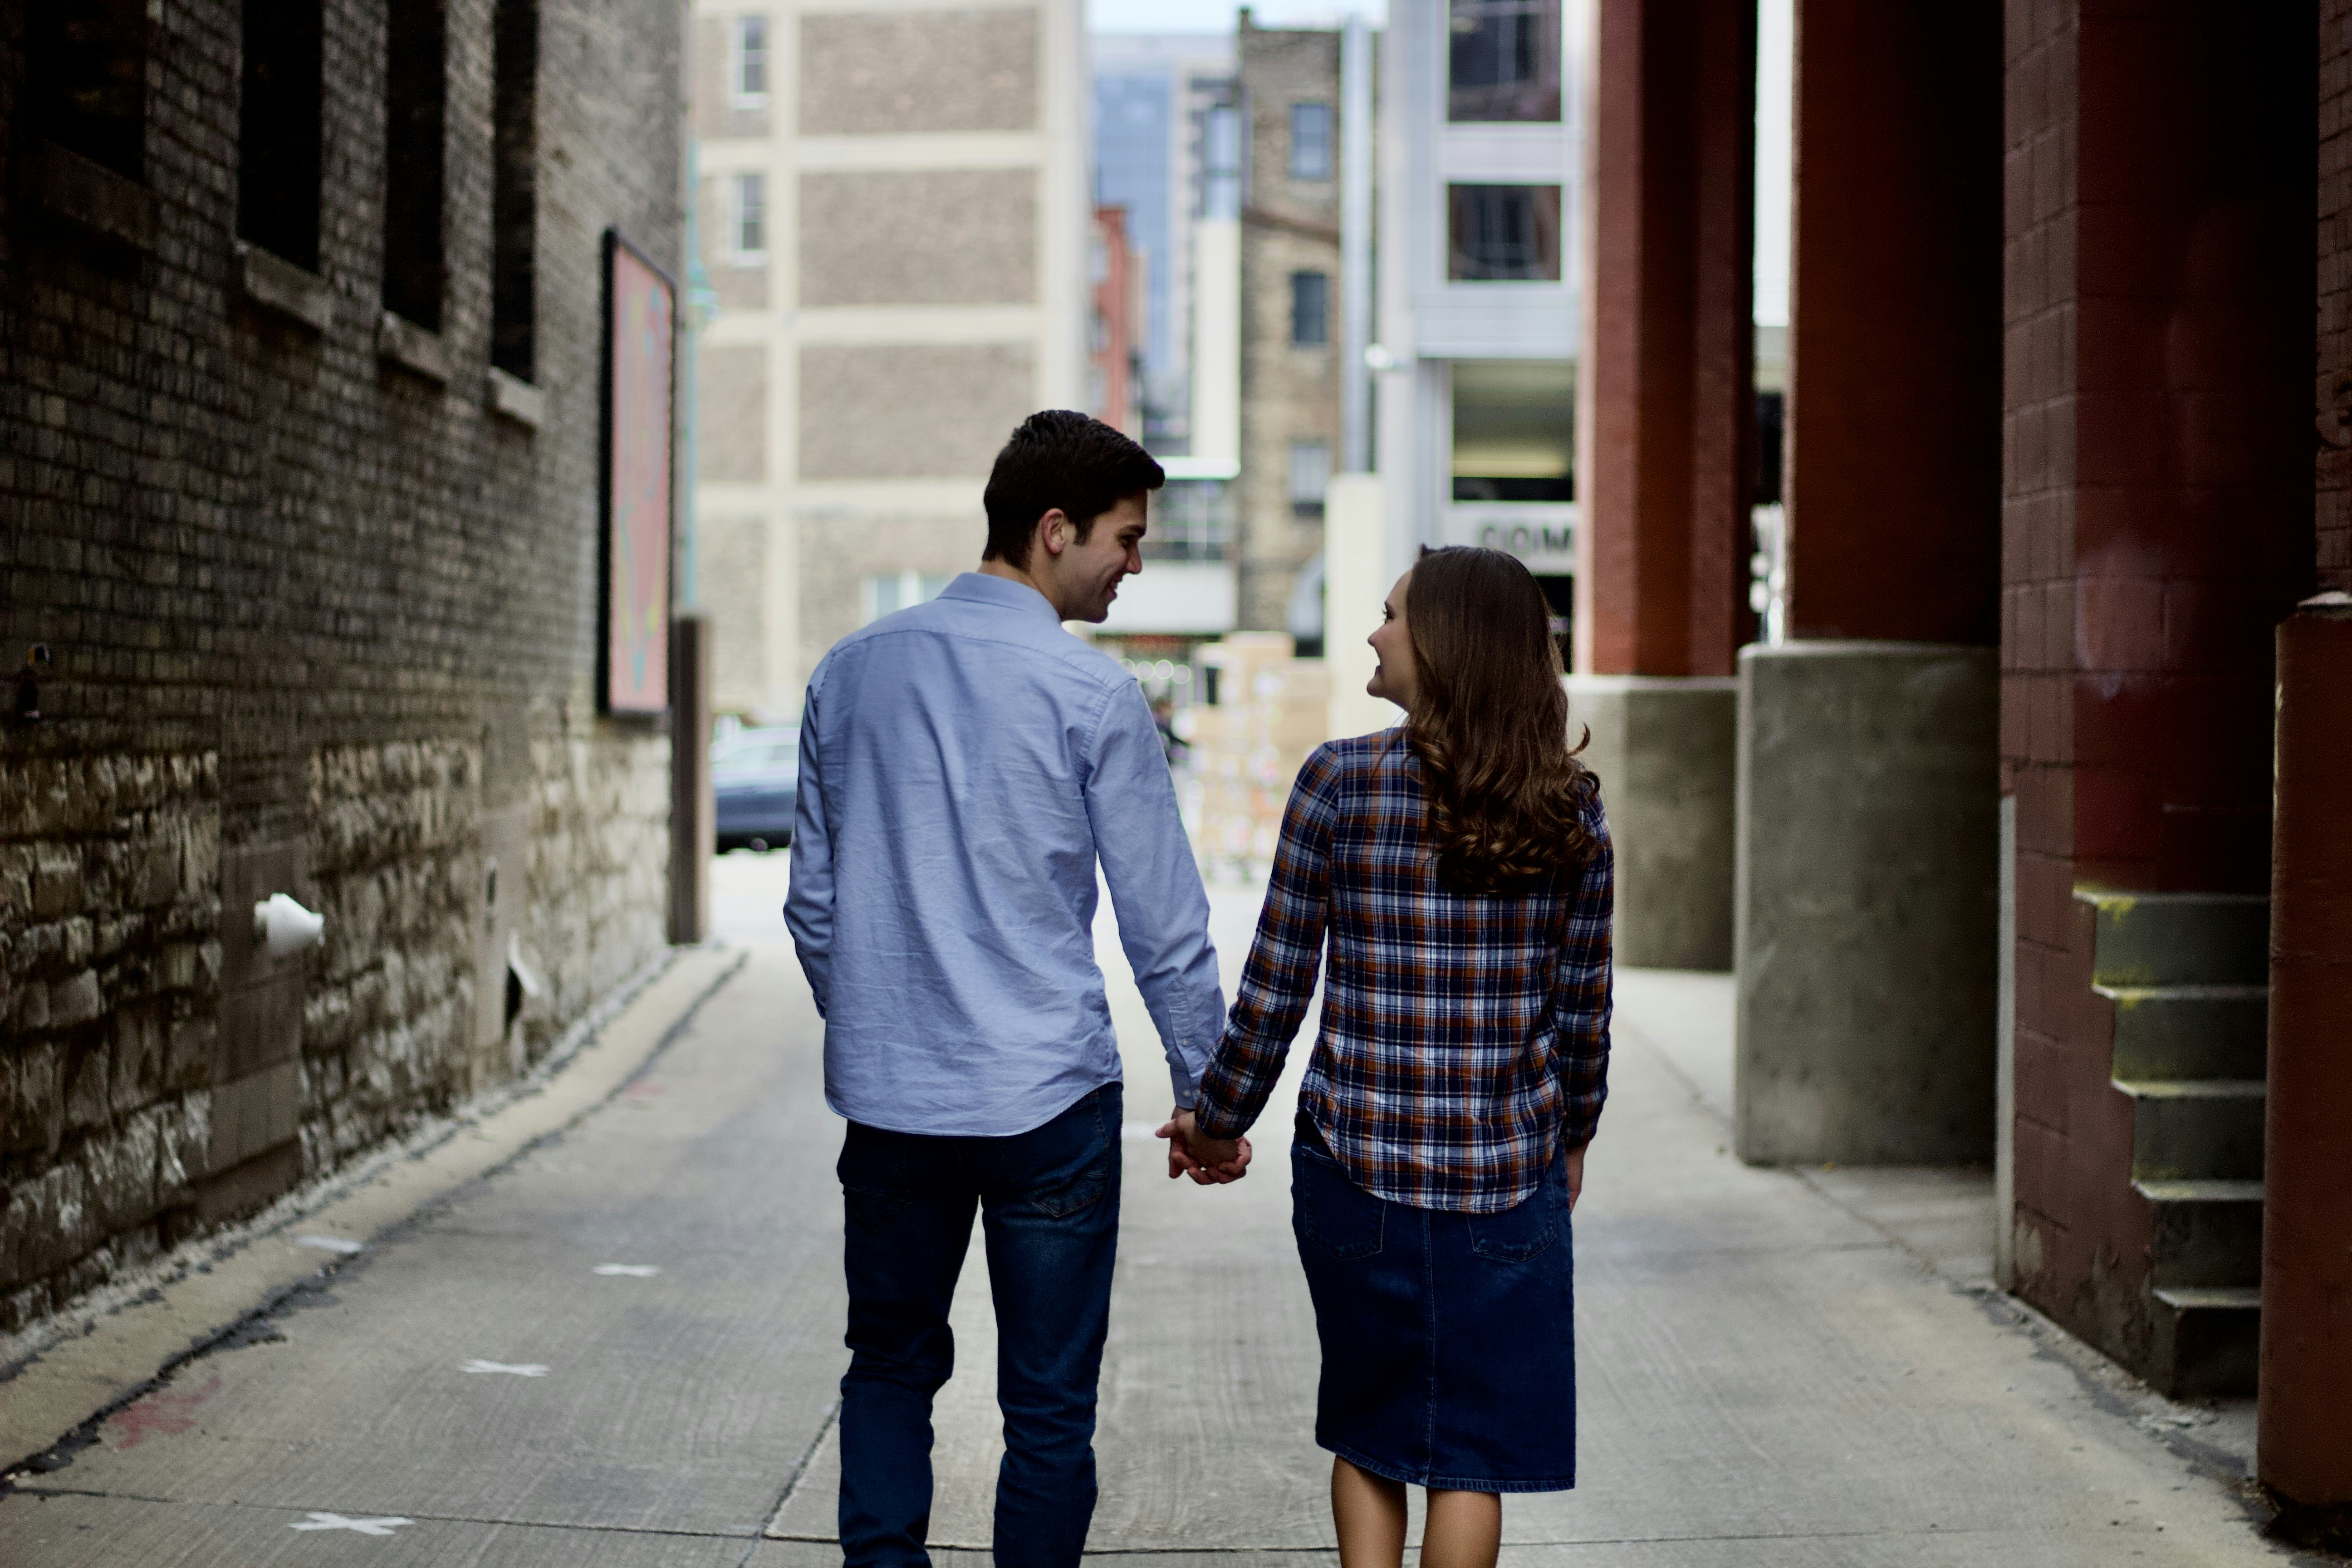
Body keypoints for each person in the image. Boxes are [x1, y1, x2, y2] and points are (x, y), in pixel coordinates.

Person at [785, 411, 1248, 1568]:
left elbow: (812, 906)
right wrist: (1213, 1100)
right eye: (1126, 540)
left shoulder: (850, 673)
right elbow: (1167, 931)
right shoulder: (1092, 700)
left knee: (888, 1368)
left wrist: (886, 1022)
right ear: (1054, 531)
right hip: (1048, 1106)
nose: (1136, 565)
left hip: (894, 1109)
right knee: (1048, 1409)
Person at [1177, 546, 1613, 1568]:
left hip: (1356, 1178)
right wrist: (1573, 1137)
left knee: (1371, 1430)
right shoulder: (1568, 808)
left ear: (1446, 644)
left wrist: (1215, 1118)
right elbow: (1583, 1011)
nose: (1374, 632)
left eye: (1390, 616)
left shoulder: (1340, 782)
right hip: (1507, 1181)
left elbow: (1275, 991)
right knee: (1471, 1457)